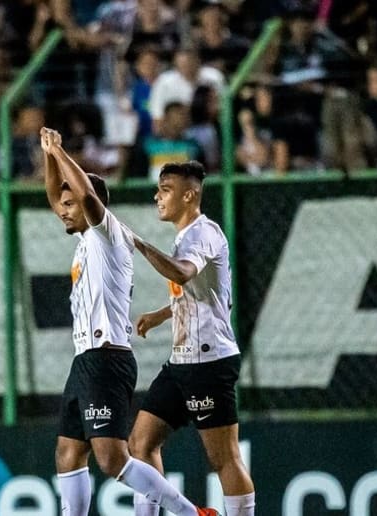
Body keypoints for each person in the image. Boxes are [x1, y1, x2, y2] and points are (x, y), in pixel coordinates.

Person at [40, 129, 219, 516]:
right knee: (68, 453)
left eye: (71, 204)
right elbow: (60, 195)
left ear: (93, 206)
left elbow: (84, 195)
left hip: (106, 360)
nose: (63, 209)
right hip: (85, 360)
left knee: (111, 459)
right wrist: (49, 158)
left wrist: (60, 150)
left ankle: (190, 513)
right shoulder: (85, 239)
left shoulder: (108, 234)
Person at [129, 160, 255, 516]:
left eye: (165, 190)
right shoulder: (185, 236)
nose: (157, 196)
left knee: (224, 458)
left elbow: (184, 274)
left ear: (190, 195)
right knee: (141, 442)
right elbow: (205, 293)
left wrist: (140, 244)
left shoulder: (204, 233)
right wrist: (161, 314)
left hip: (209, 360)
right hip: (182, 360)